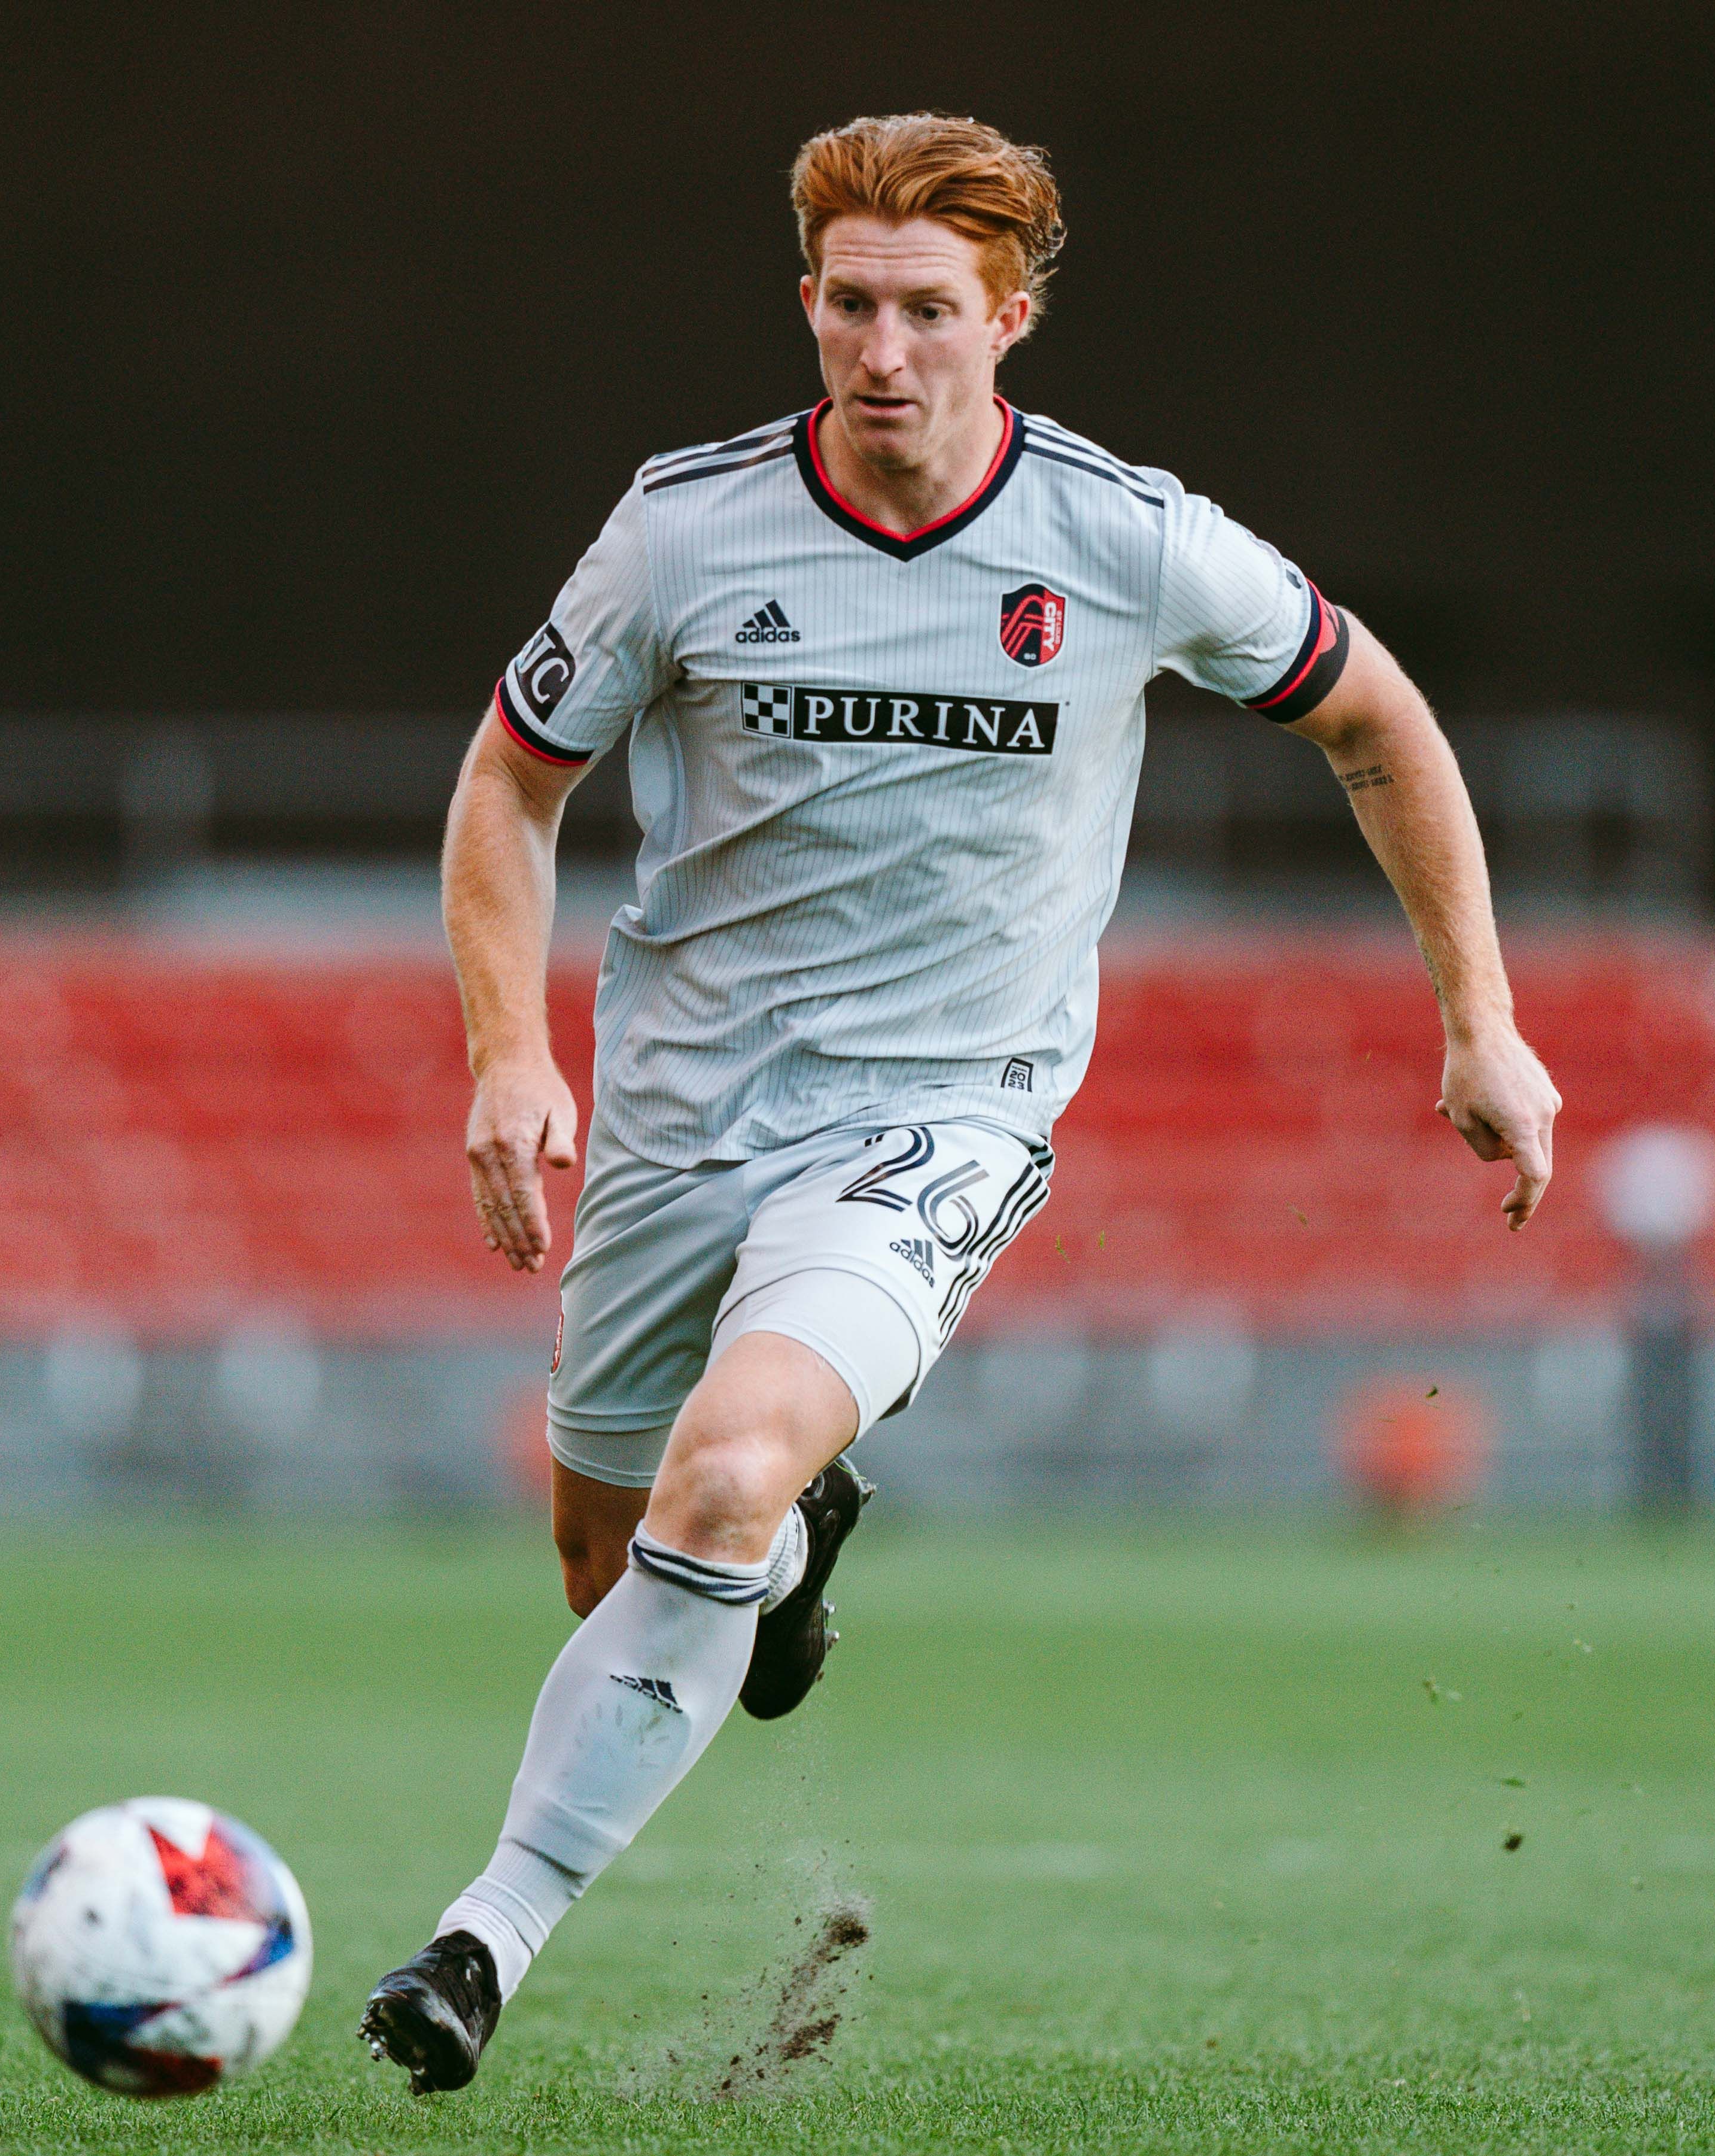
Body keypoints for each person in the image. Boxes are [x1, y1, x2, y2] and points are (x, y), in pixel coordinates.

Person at [361, 113, 1563, 2091]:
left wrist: (1480, 1021)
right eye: (850, 303)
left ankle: (479, 1944)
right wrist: (510, 1048)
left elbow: (1376, 719)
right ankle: (787, 1545)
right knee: (615, 1561)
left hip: (946, 1104)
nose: (883, 349)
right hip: (684, 1106)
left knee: (718, 1481)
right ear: (808, 305)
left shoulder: (1125, 538)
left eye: (930, 309)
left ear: (1008, 318)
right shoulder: (684, 527)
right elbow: (509, 779)